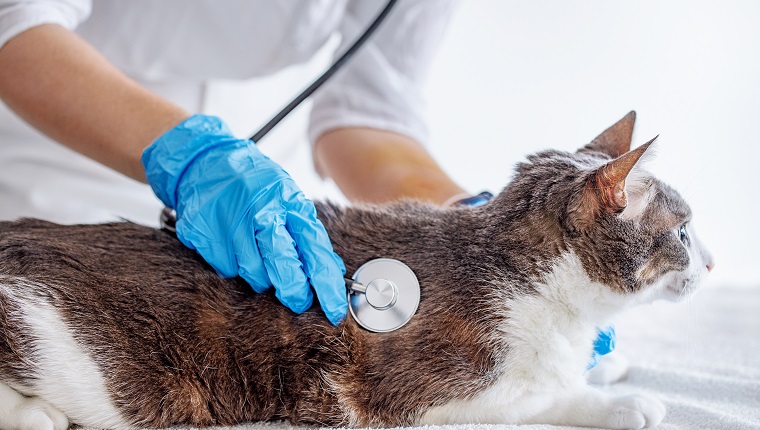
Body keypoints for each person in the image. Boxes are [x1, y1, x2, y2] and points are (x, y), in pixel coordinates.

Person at [0, 1, 470, 326]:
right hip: (55, 123)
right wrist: (191, 156)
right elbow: (15, 16)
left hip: (255, 167)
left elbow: (370, 112)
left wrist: (464, 221)